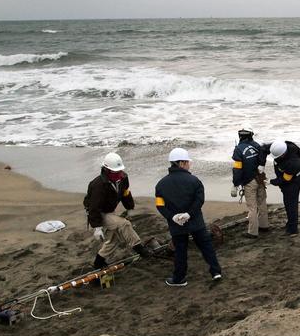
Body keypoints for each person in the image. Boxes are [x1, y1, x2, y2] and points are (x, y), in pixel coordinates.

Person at [155, 148, 222, 287]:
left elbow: (160, 205)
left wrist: (172, 217)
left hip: (176, 224)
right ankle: (215, 272)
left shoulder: (161, 185)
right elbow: (199, 201)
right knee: (206, 246)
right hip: (195, 221)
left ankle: (179, 279)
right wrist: (189, 214)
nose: (189, 164)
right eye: (187, 162)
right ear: (181, 163)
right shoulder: (194, 181)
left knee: (180, 250)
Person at [84, 152, 151, 268]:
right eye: (115, 172)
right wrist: (97, 227)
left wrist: (129, 208)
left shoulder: (123, 178)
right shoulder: (98, 185)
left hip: (109, 211)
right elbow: (93, 207)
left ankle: (99, 262)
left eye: (119, 171)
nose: (118, 174)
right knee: (124, 224)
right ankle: (139, 248)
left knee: (114, 240)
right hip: (98, 213)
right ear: (106, 170)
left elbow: (126, 193)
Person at [231, 123, 269, 239]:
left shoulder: (238, 149)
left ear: (240, 135)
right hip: (260, 179)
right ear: (251, 135)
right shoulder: (257, 145)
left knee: (252, 207)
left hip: (249, 182)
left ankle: (252, 232)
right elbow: (263, 158)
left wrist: (235, 184)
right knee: (262, 203)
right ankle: (264, 226)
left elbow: (237, 169)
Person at [263, 140, 300, 235]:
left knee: (291, 204)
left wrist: (271, 181)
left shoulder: (293, 164)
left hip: (294, 181)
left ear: (283, 154)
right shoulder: (278, 146)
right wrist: (261, 164)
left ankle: (293, 229)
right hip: (285, 176)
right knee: (287, 201)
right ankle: (290, 223)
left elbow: (285, 180)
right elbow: (264, 148)